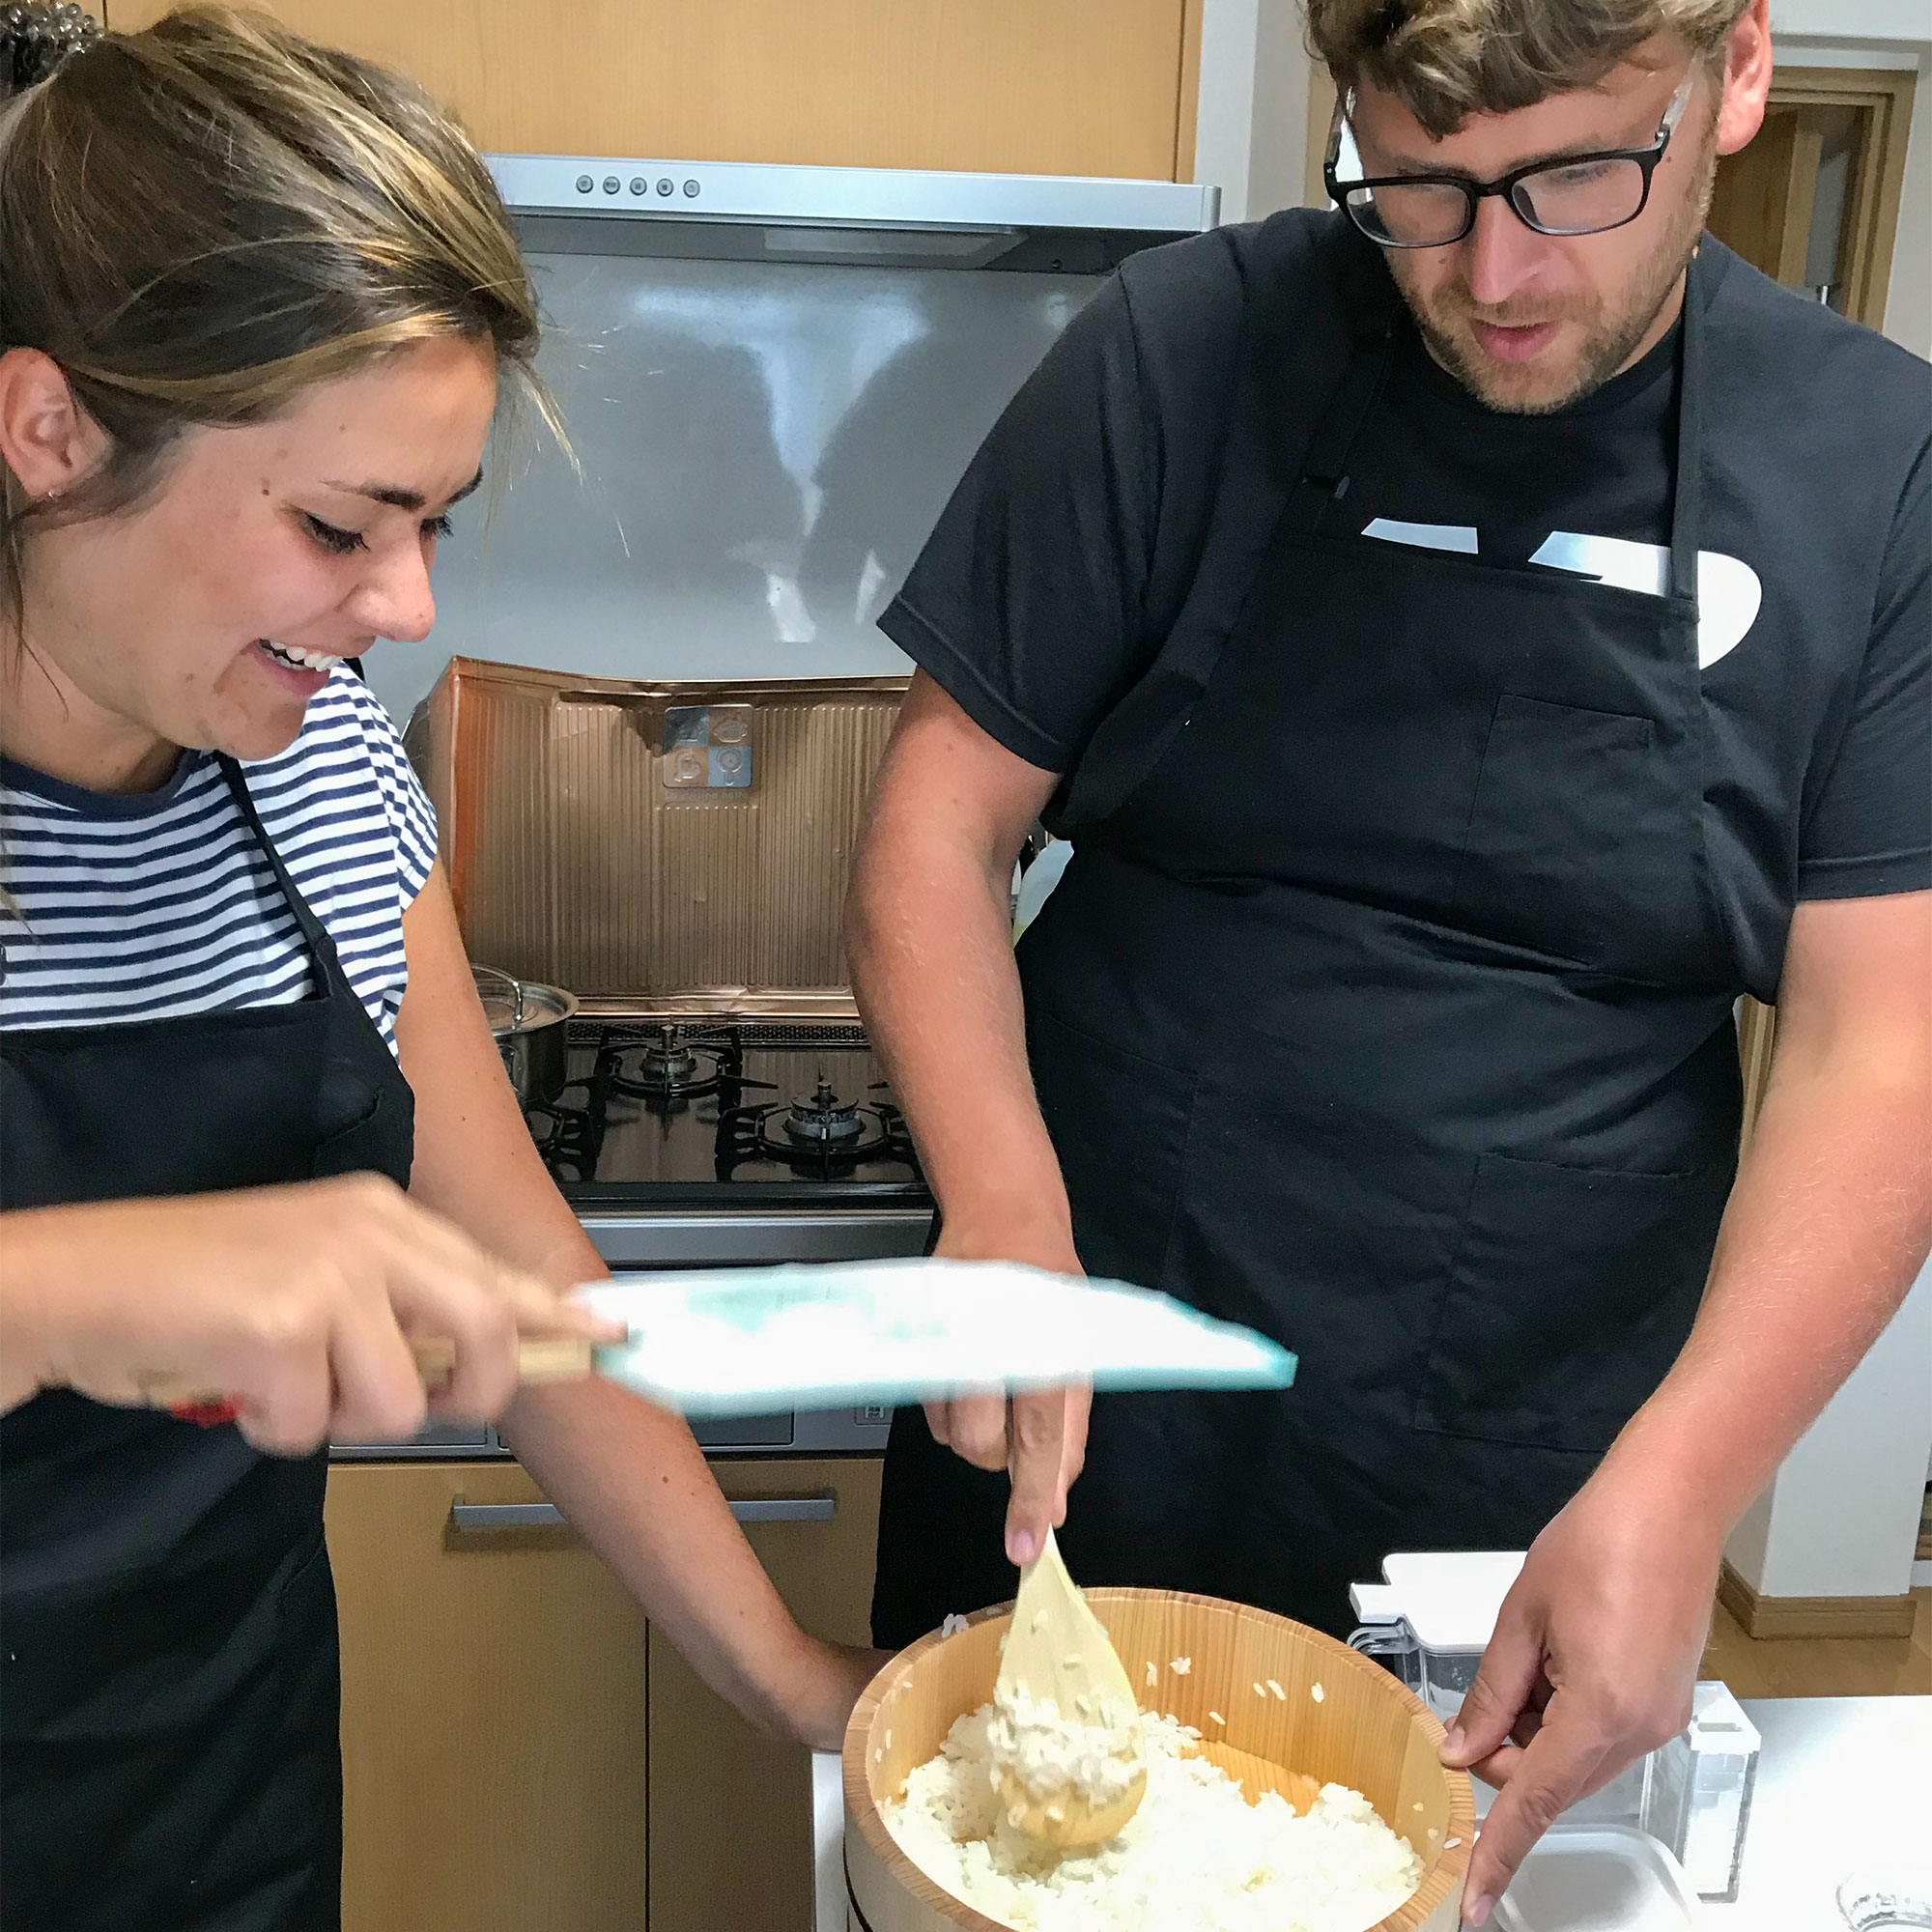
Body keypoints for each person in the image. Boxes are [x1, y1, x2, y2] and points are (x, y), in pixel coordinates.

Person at [844, 0, 1930, 1918]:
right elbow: (937, 824)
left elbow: (1879, 1042)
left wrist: (1682, 1484)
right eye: (1417, 186)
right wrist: (1001, 1206)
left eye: (1582, 176)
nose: (1495, 272)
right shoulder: (1182, 350)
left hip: (1529, 1430)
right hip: (1097, 1346)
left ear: (1736, 74)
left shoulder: (1878, 469)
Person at [0, 10, 876, 1927]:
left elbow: (519, 1272)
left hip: (209, 1801)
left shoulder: (307, 759)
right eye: (336, 524)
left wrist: (799, 1688)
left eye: (427, 527)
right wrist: (61, 1283)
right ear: (51, 427)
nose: (403, 610)